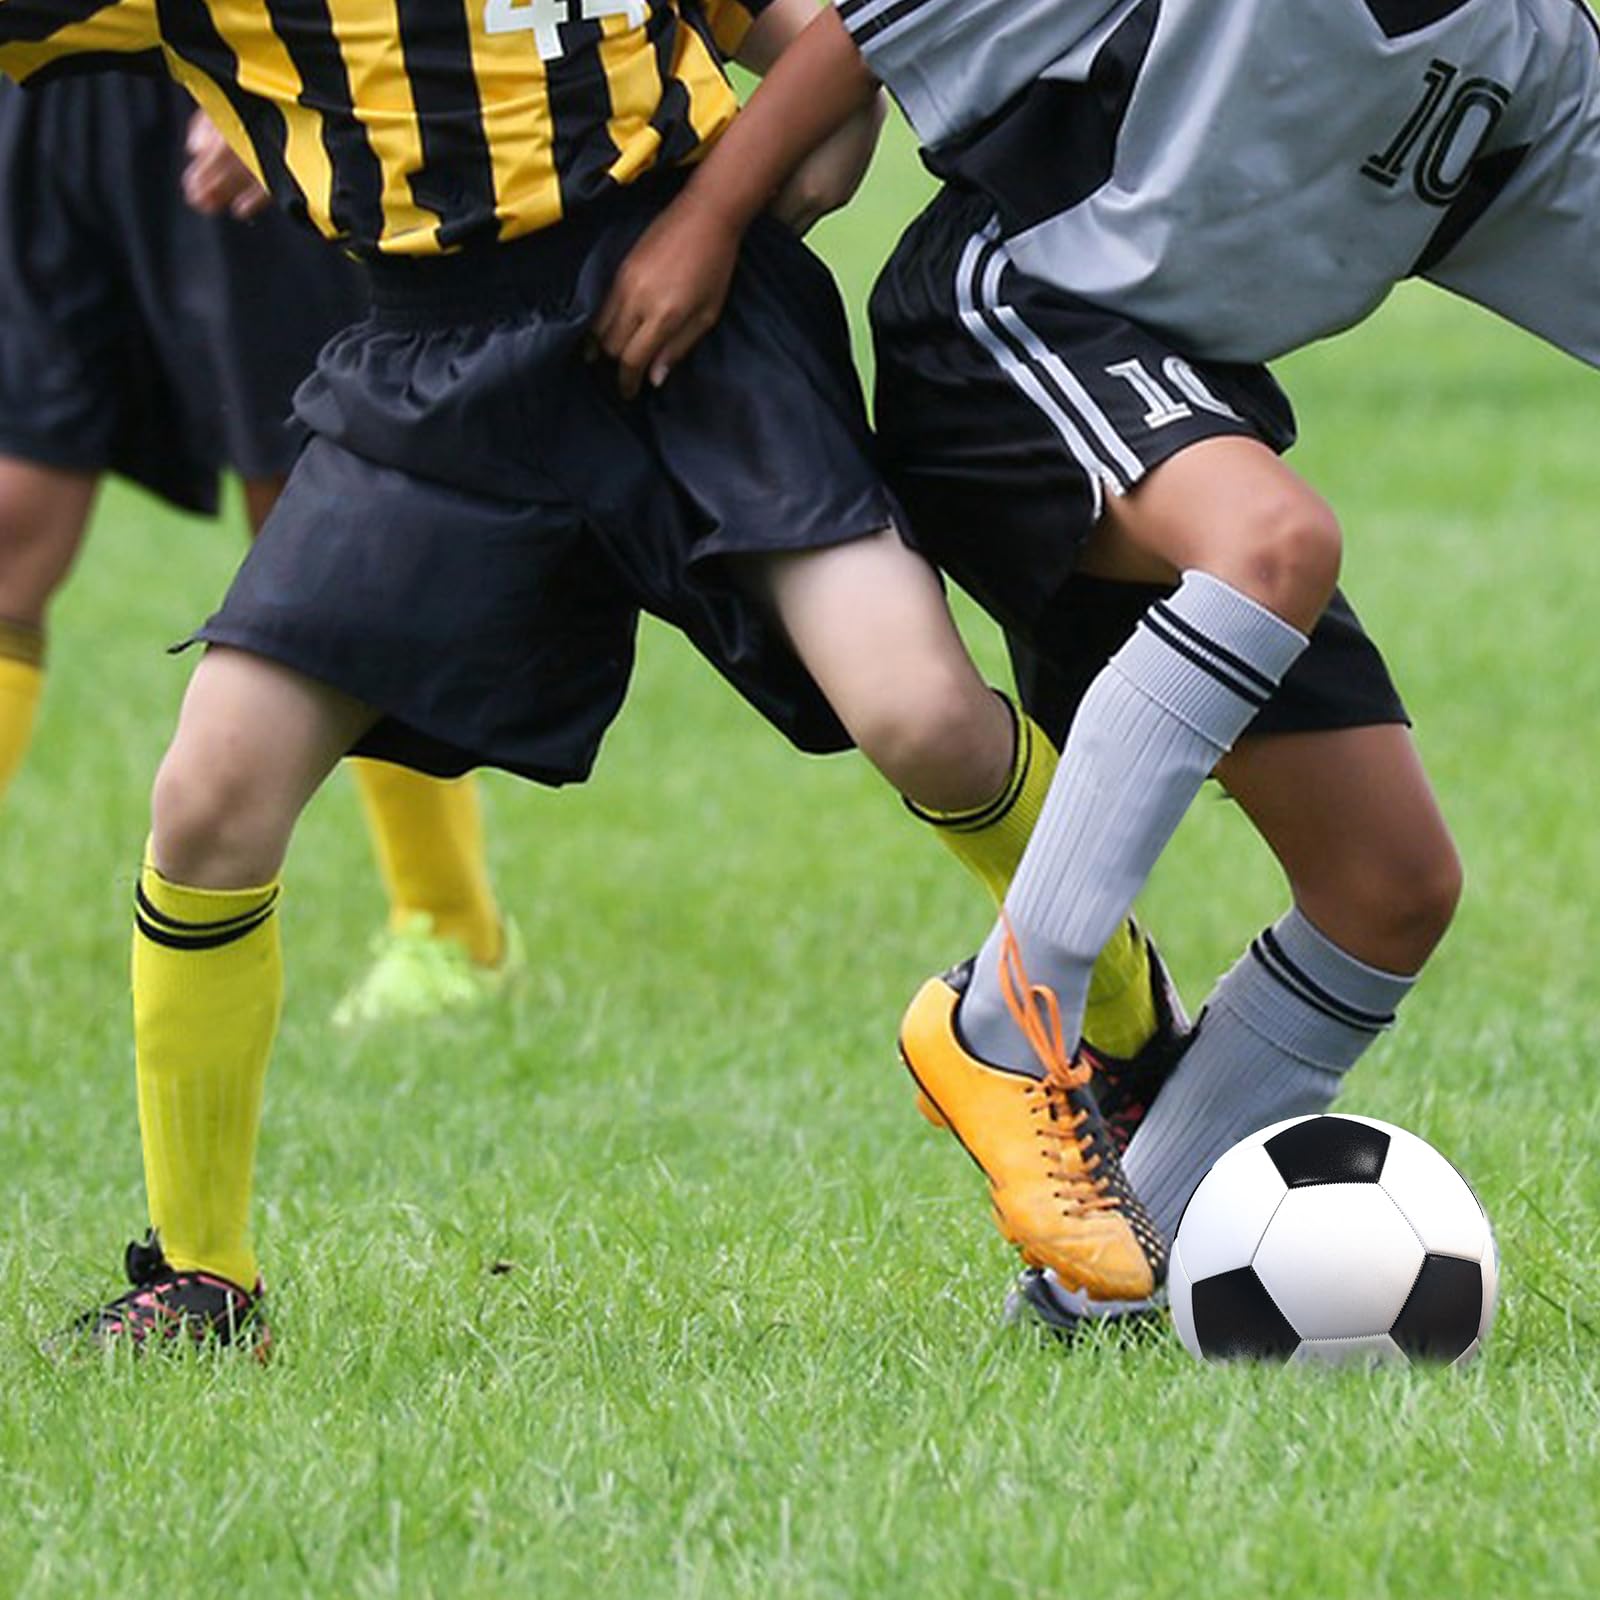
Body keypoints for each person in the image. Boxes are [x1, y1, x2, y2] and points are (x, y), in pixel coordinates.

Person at [0, 0, 1176, 1350]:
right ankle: (200, 1277)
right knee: (211, 794)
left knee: (919, 715)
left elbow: (826, 52)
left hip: (696, 330)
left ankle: (1133, 1034)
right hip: (435, 373)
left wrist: (723, 223)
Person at [589, 0, 1593, 1321]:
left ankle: (1102, 1292)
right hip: (1004, 329)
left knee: (1389, 885)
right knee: (1275, 541)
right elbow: (869, 25)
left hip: (1179, 413)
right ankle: (1006, 1016)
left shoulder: (1543, 57)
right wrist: (710, 219)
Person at [0, 75, 518, 1027]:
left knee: (312, 509)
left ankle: (449, 924)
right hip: (55, 82)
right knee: (12, 507)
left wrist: (282, 68)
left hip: (241, 69)